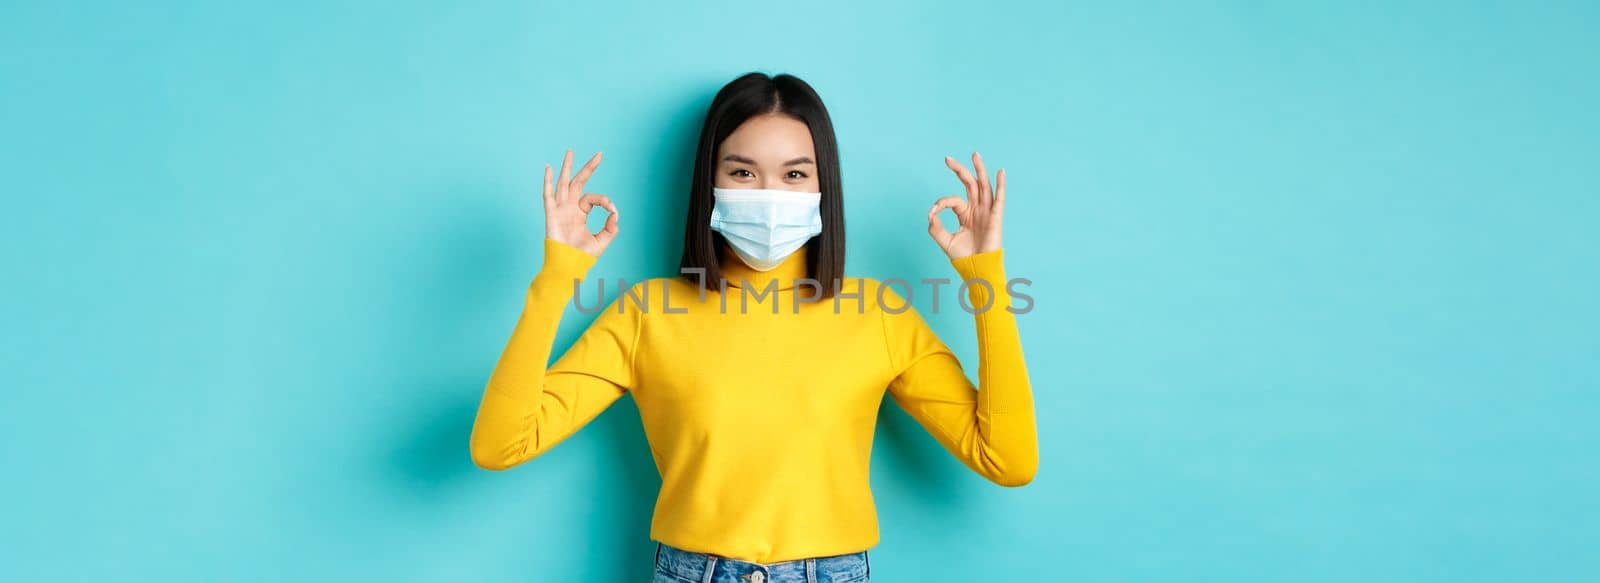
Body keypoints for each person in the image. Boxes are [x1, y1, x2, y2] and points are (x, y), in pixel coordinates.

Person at [469, 71, 1038, 583]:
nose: (769, 194)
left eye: (794, 174)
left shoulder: (879, 315)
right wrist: (558, 275)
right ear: (709, 184)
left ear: (823, 188)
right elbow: (501, 444)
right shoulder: (646, 313)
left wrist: (985, 278)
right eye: (743, 171)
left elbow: (1007, 460)